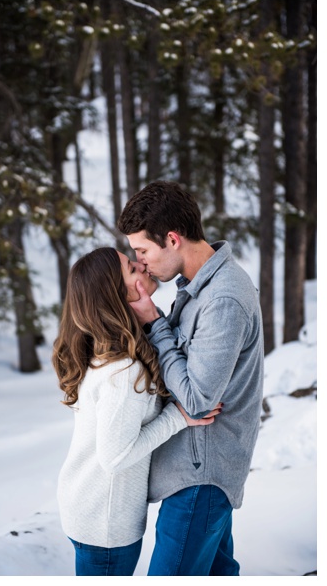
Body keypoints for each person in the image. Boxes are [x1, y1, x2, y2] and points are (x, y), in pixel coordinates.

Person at [117, 180, 264, 576]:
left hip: (201, 477)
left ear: (172, 239)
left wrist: (154, 324)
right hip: (197, 472)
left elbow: (197, 399)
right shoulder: (199, 288)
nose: (141, 262)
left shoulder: (223, 299)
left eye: (143, 251)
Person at [53, 247, 221, 576]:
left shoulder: (109, 350)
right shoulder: (123, 371)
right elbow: (114, 458)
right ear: (118, 295)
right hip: (104, 522)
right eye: (132, 268)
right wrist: (179, 416)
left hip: (91, 507)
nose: (143, 266)